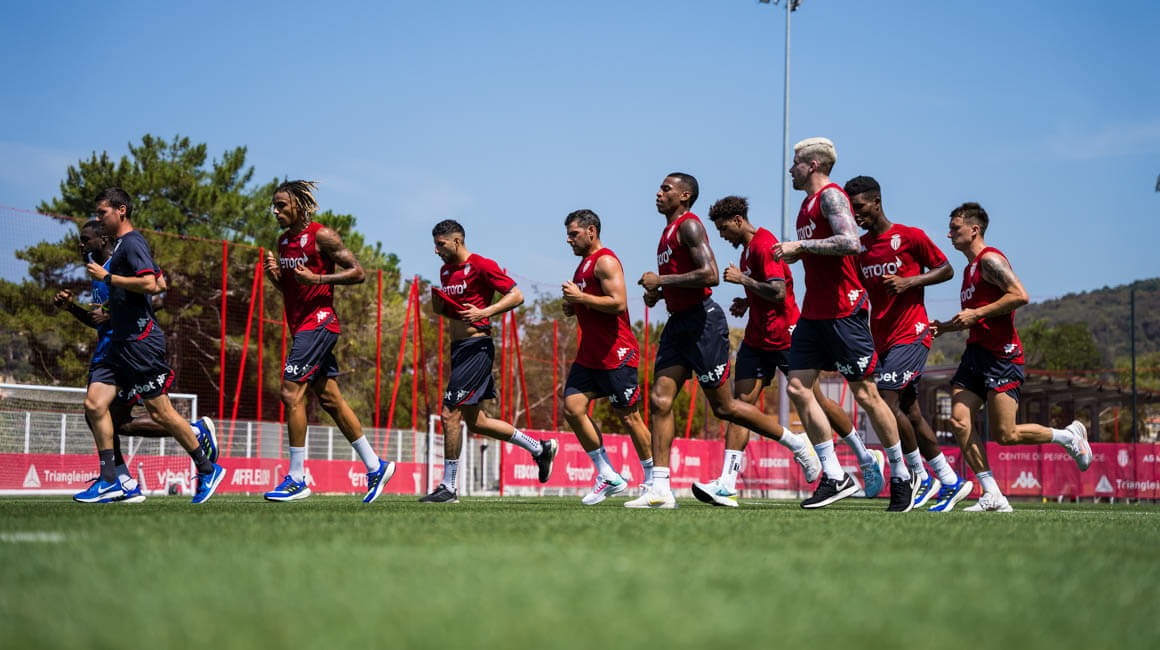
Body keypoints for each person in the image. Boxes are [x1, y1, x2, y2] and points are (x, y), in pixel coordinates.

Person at [626, 173, 820, 509]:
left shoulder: (690, 226)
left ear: (684, 196)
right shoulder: (666, 233)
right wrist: (658, 293)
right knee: (659, 401)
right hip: (678, 325)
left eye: (666, 189)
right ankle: (660, 488)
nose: (658, 193)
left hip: (703, 323)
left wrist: (662, 280)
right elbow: (682, 280)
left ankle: (796, 443)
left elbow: (711, 275)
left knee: (725, 407)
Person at [700, 195, 875, 507]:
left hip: (786, 336)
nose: (722, 235)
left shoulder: (764, 244)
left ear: (738, 220)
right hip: (757, 338)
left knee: (817, 401)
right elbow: (765, 289)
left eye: (724, 228)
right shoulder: (747, 251)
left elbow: (779, 291)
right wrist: (747, 300)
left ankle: (865, 458)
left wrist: (742, 280)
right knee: (740, 406)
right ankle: (727, 483)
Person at [773, 138, 915, 511]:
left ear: (813, 164)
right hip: (813, 313)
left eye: (795, 163)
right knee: (798, 388)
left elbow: (851, 242)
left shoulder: (832, 197)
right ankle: (834, 475)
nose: (790, 169)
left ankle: (901, 474)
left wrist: (801, 247)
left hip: (844, 312)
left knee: (866, 395)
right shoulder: (805, 205)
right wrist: (801, 251)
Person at [931, 202, 1091, 512]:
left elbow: (1020, 295)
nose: (949, 234)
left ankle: (1068, 437)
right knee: (959, 421)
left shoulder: (990, 260)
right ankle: (992, 493)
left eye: (955, 228)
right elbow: (973, 317)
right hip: (975, 355)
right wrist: (944, 328)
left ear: (974, 229)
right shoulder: (968, 270)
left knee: (1006, 435)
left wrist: (977, 313)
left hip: (1002, 356)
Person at [72, 187, 225, 505]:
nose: (98, 219)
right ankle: (110, 480)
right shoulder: (119, 248)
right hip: (119, 345)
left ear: (121, 211)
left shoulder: (132, 242)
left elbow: (152, 283)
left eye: (102, 213)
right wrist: (111, 307)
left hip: (140, 344)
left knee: (160, 412)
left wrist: (109, 278)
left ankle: (207, 468)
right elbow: (156, 282)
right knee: (95, 406)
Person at [845, 175, 974, 512]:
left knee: (885, 402)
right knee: (910, 412)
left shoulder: (910, 236)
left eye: (859, 207)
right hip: (882, 339)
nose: (855, 214)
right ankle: (949, 480)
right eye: (850, 208)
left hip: (912, 333)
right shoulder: (860, 248)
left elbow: (945, 269)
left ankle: (918, 475)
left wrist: (909, 282)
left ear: (876, 202)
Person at [262, 181, 395, 503]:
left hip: (320, 323)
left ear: (299, 205)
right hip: (301, 327)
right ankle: (375, 466)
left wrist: (319, 278)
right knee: (330, 399)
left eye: (281, 205)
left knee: (290, 392)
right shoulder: (283, 242)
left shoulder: (322, 236)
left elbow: (358, 273)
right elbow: (293, 289)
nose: (275, 211)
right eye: (274, 206)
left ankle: (297, 478)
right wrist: (274, 277)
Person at [423, 219, 558, 503]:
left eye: (440, 244)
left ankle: (448, 487)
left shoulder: (482, 265)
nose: (436, 250)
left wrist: (485, 312)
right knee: (477, 422)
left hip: (477, 348)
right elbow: (455, 311)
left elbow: (516, 296)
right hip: (459, 350)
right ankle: (539, 449)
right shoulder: (445, 271)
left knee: (449, 413)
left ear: (457, 241)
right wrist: (441, 307)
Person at [559, 209, 654, 505]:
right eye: (568, 235)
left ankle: (655, 482)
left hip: (617, 353)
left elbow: (618, 303)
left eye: (574, 234)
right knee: (572, 408)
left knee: (629, 417)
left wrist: (581, 298)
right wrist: (574, 306)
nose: (569, 240)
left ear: (591, 231)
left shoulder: (606, 261)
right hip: (590, 355)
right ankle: (608, 475)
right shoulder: (582, 266)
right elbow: (591, 303)